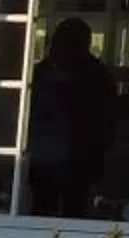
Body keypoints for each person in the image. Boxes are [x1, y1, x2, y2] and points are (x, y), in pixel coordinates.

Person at [25, 16, 119, 217]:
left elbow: (107, 122)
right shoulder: (41, 73)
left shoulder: (97, 77)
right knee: (47, 212)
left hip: (77, 161)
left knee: (71, 214)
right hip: (46, 160)